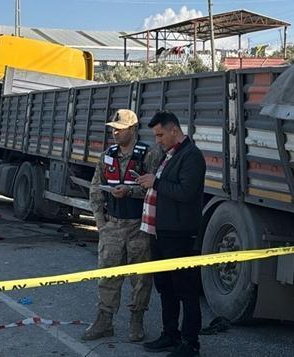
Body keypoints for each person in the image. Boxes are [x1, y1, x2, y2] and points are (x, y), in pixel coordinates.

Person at [83, 109, 162, 342]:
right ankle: (104, 320)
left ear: (133, 129)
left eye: (120, 129)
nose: (115, 133)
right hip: (113, 225)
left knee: (140, 278)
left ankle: (136, 321)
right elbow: (96, 189)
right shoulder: (108, 155)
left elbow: (156, 187)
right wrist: (101, 224)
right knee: (108, 275)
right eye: (113, 129)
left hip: (139, 225)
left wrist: (131, 191)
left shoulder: (149, 154)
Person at [136, 111, 206, 357]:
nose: (158, 140)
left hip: (180, 235)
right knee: (165, 287)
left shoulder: (192, 156)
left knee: (186, 290)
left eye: (160, 135)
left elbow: (186, 192)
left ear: (174, 130)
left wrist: (154, 182)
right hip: (161, 233)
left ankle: (190, 343)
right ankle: (170, 335)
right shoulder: (169, 155)